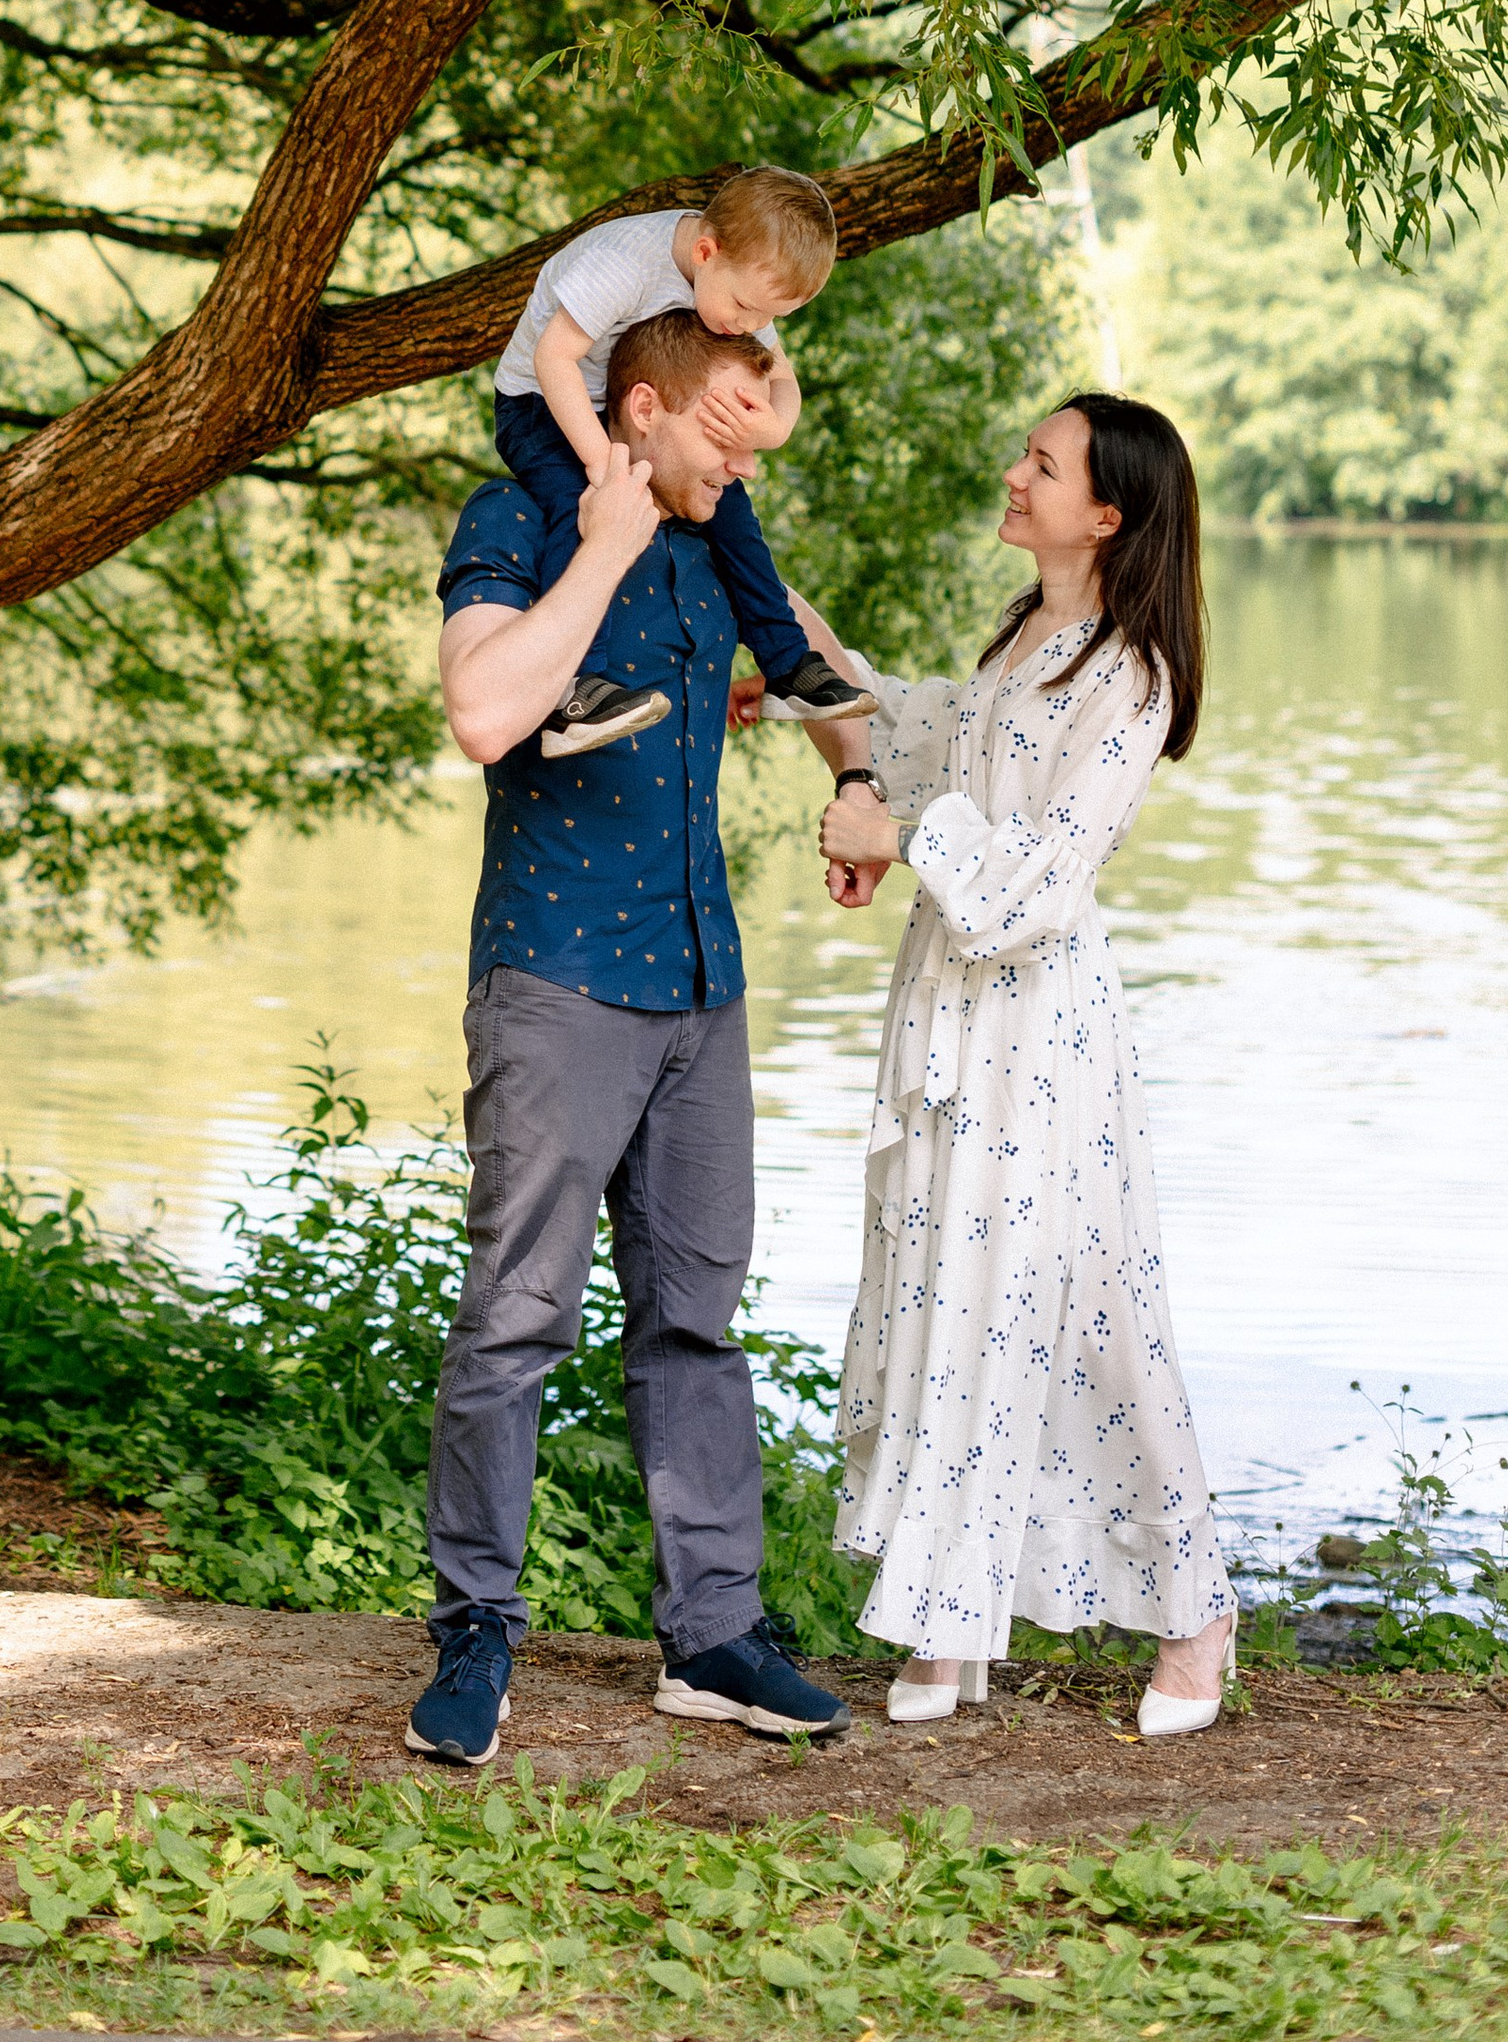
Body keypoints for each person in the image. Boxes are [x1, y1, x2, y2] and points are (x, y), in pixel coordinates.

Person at [408, 307, 858, 1771]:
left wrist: (866, 792)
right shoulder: (524, 513)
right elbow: (483, 710)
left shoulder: (722, 539)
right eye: (720, 429)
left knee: (695, 1325)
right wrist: (599, 543)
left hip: (699, 982)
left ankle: (712, 1636)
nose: (740, 459)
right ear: (641, 407)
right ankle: (475, 1628)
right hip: (556, 981)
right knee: (515, 1317)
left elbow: (814, 673)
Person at [813, 392, 1240, 1739]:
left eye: (1040, 465)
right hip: (953, 1014)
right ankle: (947, 1615)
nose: (1013, 472)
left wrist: (892, 835)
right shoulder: (1029, 639)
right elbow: (934, 734)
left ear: (1104, 514)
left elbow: (1033, 889)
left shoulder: (1131, 676)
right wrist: (812, 662)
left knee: (1092, 1318)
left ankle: (1196, 1617)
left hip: (1040, 1040)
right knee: (950, 1298)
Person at [491, 165, 880, 755]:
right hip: (540, 404)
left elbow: (783, 381)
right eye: (747, 309)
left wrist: (775, 427)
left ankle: (786, 663)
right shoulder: (624, 265)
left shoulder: (737, 284)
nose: (749, 328)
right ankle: (575, 692)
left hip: (622, 407)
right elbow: (553, 360)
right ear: (705, 251)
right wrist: (606, 471)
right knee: (588, 514)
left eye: (766, 319)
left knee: (733, 514)